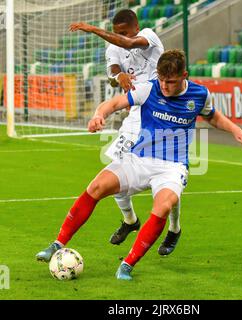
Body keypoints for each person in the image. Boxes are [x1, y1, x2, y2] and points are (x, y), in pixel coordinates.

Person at [36, 49, 242, 280]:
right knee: (96, 187)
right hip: (138, 159)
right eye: (161, 80)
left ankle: (127, 265)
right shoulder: (150, 88)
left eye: (170, 82)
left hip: (172, 166)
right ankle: (58, 243)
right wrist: (98, 115)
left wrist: (237, 130)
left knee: (163, 206)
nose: (165, 86)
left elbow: (212, 116)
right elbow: (114, 103)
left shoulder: (200, 94)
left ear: (184, 76)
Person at [69, 10, 182, 255]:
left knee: (169, 175)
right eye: (116, 32)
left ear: (136, 27)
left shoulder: (148, 36)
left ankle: (174, 228)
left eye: (124, 32)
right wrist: (118, 75)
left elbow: (129, 43)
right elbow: (113, 71)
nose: (120, 37)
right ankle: (130, 221)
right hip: (134, 115)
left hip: (162, 113)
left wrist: (94, 29)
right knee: (116, 167)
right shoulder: (113, 48)